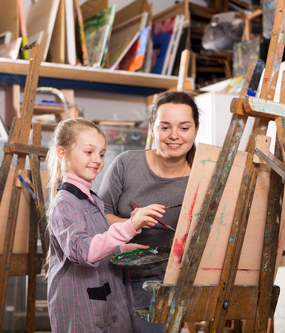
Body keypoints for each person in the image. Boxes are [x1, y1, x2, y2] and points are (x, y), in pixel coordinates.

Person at [46, 118, 163, 332]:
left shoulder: (91, 198)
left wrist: (124, 249)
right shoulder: (65, 203)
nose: (97, 160)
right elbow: (85, 252)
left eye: (101, 153)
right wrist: (130, 225)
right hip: (80, 305)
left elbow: (98, 242)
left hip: (102, 300)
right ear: (62, 153)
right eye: (88, 152)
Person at [98, 90, 199, 331]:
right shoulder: (126, 163)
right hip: (111, 275)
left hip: (160, 283)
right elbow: (97, 216)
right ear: (152, 129)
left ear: (195, 130)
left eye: (184, 128)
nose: (174, 136)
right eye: (165, 127)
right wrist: (131, 223)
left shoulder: (203, 177)